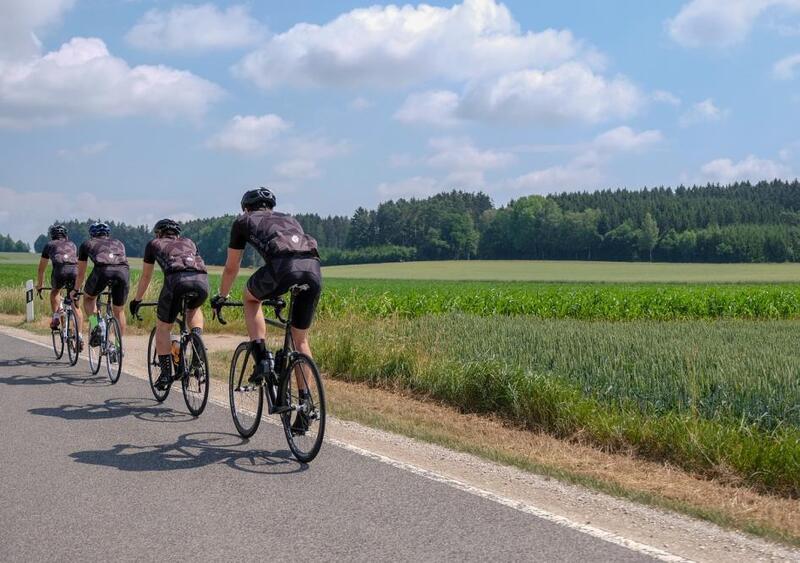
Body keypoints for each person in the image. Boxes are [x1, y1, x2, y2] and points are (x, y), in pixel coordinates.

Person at [211, 188, 322, 432]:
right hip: (313, 270)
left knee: (251, 299)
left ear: (246, 208)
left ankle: (262, 358)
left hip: (283, 269)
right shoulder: (289, 219)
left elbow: (232, 267)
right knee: (300, 340)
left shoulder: (243, 221)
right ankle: (306, 405)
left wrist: (222, 295)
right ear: (270, 206)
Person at [129, 219, 209, 390]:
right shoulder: (189, 242)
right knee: (194, 308)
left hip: (176, 282)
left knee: (163, 328)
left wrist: (137, 300)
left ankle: (165, 374)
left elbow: (146, 277)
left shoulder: (154, 243)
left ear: (158, 234)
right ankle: (197, 340)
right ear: (177, 234)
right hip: (201, 281)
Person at [74, 222, 130, 345]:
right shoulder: (119, 243)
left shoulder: (86, 244)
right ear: (108, 234)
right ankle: (118, 347)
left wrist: (76, 290)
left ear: (91, 234)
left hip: (103, 271)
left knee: (88, 299)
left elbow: (81, 274)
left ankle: (96, 325)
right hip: (123, 272)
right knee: (119, 311)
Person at [36, 225, 83, 340]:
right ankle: (80, 336)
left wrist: (40, 285)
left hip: (59, 271)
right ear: (66, 236)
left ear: (52, 236)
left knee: (55, 292)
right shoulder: (72, 244)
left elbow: (41, 269)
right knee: (75, 305)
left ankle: (56, 316)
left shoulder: (49, 245)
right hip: (74, 272)